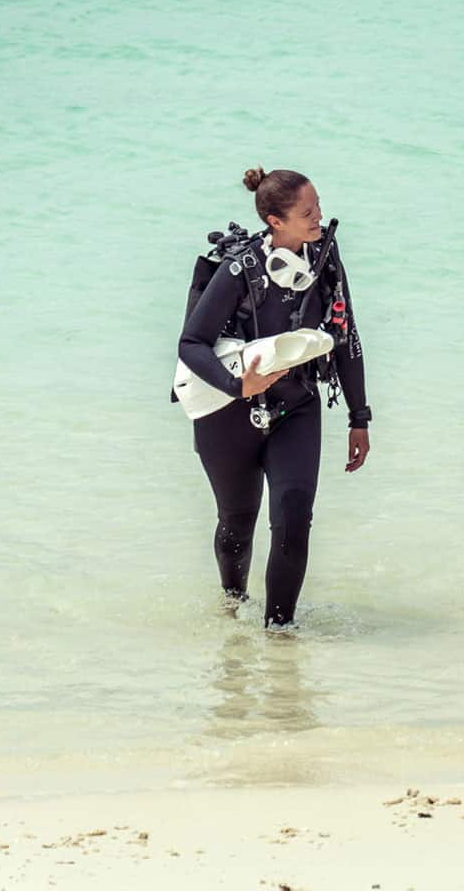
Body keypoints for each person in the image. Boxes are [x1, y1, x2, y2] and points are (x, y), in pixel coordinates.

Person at [178, 168, 372, 629]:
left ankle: (280, 636)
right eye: (307, 212)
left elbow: (347, 336)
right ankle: (232, 610)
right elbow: (191, 344)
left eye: (319, 205)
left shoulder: (325, 259)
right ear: (275, 221)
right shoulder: (239, 271)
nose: (318, 217)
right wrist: (237, 386)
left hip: (296, 406)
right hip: (229, 414)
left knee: (292, 519)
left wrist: (359, 416)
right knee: (236, 524)